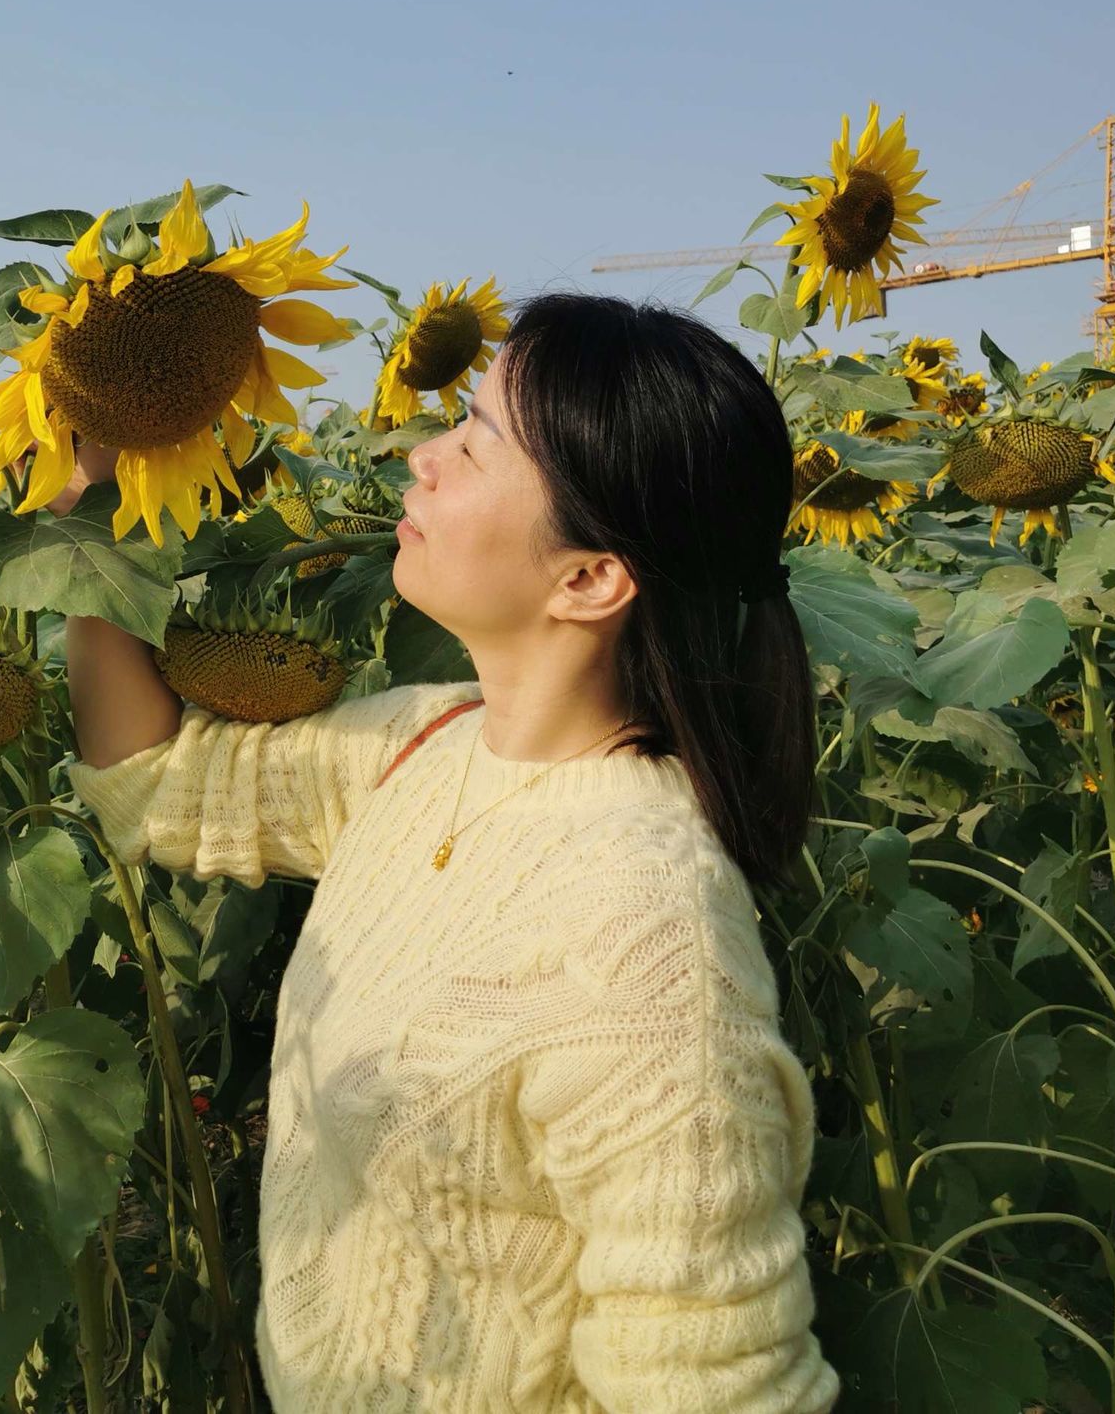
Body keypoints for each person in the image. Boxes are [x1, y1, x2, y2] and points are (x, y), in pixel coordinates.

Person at [56, 292, 839, 1412]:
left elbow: (714, 1388)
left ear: (588, 579)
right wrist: (89, 508)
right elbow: (161, 788)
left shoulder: (646, 943)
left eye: (474, 442)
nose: (421, 456)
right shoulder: (425, 745)